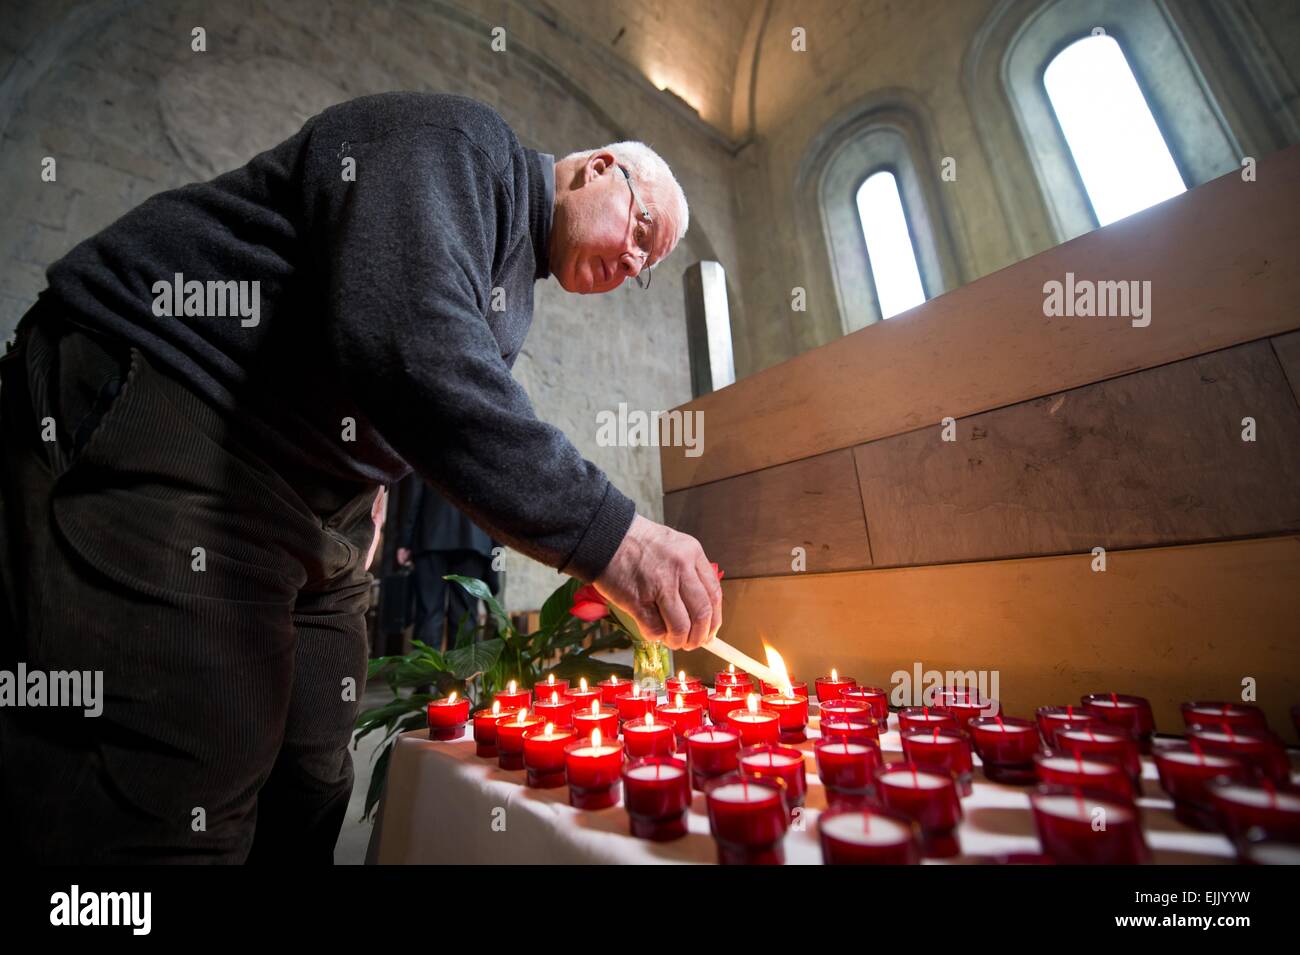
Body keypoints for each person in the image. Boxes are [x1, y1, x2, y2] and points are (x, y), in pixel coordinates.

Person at [0, 92, 722, 864]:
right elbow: (412, 344)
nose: (634, 262)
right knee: (182, 776)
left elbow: (409, 386)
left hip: (312, 510)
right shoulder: (462, 146)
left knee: (312, 765)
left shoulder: (513, 278)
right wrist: (620, 537)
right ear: (598, 169)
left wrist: (371, 484)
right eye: (641, 230)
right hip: (179, 399)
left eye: (647, 266)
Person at [394, 475, 499, 652]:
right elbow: (497, 503)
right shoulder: (487, 451)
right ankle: (460, 676)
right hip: (474, 541)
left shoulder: (430, 450)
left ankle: (425, 676)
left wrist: (405, 541)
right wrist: (496, 549)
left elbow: (413, 495)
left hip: (430, 536)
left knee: (428, 612)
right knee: (465, 613)